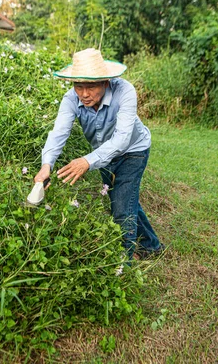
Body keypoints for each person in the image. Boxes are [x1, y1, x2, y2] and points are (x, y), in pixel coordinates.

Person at [34, 48, 164, 259]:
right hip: (102, 155)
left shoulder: (125, 91)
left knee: (122, 209)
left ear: (105, 81)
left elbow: (122, 140)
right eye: (78, 86)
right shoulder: (70, 99)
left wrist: (87, 161)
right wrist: (46, 166)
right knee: (125, 200)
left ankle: (125, 265)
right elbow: (58, 133)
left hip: (133, 151)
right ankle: (152, 246)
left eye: (91, 86)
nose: (84, 94)